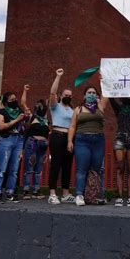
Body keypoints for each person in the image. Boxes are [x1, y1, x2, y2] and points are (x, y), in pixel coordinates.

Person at [67, 85, 108, 206]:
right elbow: (72, 126)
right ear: (84, 95)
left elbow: (107, 93)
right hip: (82, 140)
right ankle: (79, 194)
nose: (91, 95)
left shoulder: (100, 106)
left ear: (97, 96)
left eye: (94, 93)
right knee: (81, 168)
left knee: (97, 169)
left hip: (98, 140)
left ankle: (96, 195)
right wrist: (70, 141)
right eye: (89, 92)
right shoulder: (78, 109)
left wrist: (103, 80)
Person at [0, 90, 27, 204]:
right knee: (2, 168)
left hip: (18, 140)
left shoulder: (19, 111)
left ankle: (10, 192)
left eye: (15, 99)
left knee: (14, 169)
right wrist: (16, 120)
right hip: (6, 140)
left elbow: (24, 105)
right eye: (11, 100)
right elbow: (1, 126)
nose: (14, 101)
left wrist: (25, 91)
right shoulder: (1, 111)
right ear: (6, 102)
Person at [48, 68, 75, 204]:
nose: (68, 96)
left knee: (67, 165)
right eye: (66, 94)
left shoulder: (72, 110)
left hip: (69, 138)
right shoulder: (55, 106)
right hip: (57, 136)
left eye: (70, 95)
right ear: (61, 95)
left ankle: (65, 193)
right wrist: (58, 76)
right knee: (56, 165)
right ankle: (52, 193)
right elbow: (52, 92)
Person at [110, 98, 130, 207]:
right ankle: (119, 196)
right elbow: (110, 95)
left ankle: (129, 197)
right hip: (120, 138)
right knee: (120, 168)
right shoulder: (118, 107)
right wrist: (103, 81)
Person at [21, 85, 49, 200]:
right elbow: (23, 103)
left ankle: (37, 190)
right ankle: (26, 191)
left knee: (39, 169)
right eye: (40, 106)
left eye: (43, 107)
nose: (41, 108)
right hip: (32, 143)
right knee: (29, 167)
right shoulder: (32, 117)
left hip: (43, 145)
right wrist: (25, 91)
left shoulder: (46, 120)